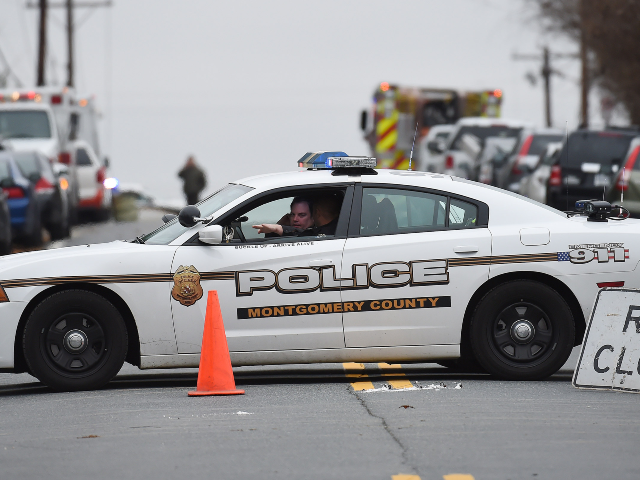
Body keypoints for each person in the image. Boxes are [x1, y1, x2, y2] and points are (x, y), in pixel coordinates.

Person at [253, 194, 341, 237]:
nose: (295, 219)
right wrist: (279, 225)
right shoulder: (288, 237)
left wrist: (279, 228)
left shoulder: (325, 235)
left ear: (314, 215)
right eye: (292, 214)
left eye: (302, 215)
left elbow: (305, 234)